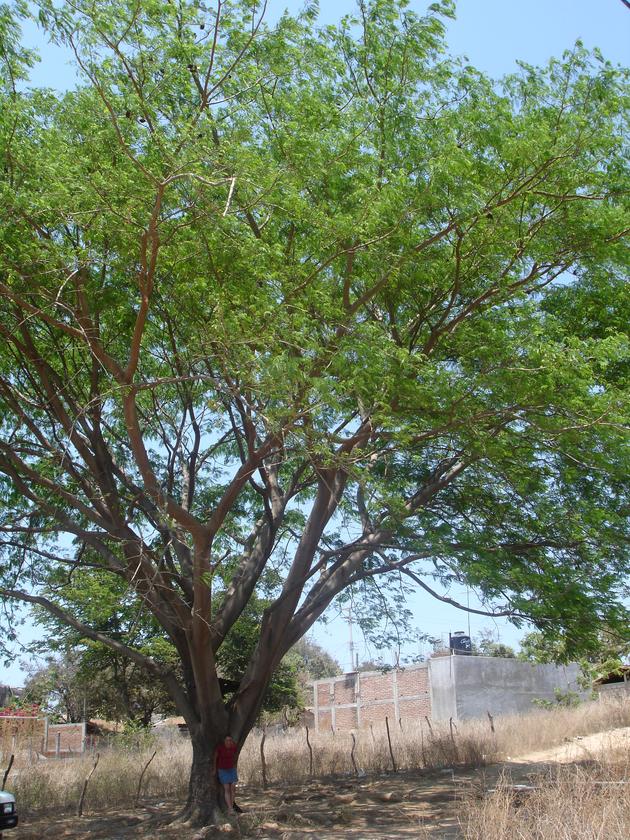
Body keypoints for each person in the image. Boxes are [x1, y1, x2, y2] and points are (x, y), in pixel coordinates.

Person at [214, 735, 239, 815]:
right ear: (224, 741)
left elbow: (235, 757)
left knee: (233, 787)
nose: (229, 742)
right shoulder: (220, 748)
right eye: (227, 740)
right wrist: (214, 769)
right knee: (227, 788)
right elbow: (215, 758)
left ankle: (231, 808)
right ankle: (230, 809)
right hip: (222, 770)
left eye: (230, 740)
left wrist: (234, 766)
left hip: (231, 769)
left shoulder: (233, 747)